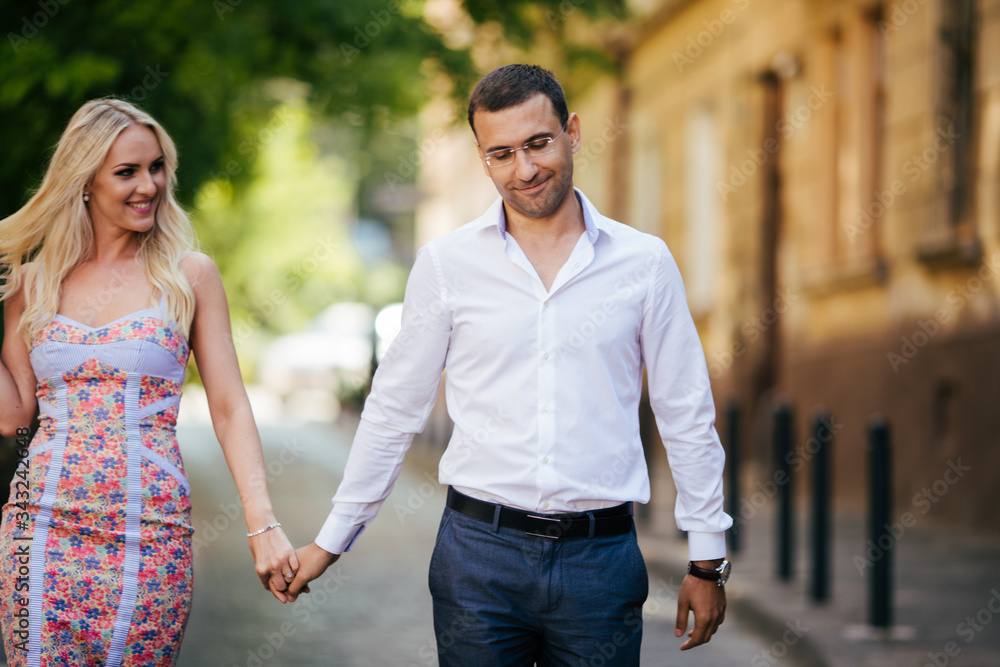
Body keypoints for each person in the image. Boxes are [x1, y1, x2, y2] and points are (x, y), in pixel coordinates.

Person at [288, 64, 733, 665]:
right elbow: (394, 409)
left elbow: (685, 410)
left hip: (600, 561)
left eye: (538, 143)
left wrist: (708, 561)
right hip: (477, 560)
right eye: (502, 154)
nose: (523, 169)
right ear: (483, 158)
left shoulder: (644, 263)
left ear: (572, 132)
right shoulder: (446, 265)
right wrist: (332, 540)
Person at [0, 98, 298, 666]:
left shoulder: (189, 277)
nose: (149, 185)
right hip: (40, 533)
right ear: (84, 181)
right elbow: (12, 414)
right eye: (128, 171)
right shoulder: (31, 284)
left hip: (149, 530)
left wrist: (262, 523)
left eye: (156, 167)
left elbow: (230, 407)